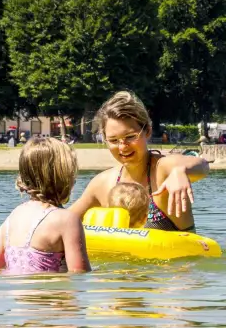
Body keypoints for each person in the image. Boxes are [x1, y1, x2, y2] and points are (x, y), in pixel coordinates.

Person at [69, 91, 208, 232]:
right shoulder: (102, 184)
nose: (123, 147)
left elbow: (202, 164)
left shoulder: (163, 169)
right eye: (113, 140)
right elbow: (65, 221)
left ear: (147, 131)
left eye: (130, 137)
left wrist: (179, 171)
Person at [0, 136, 91, 273]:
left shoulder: (14, 216)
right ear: (63, 177)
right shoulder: (67, 220)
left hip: (17, 293)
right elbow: (79, 273)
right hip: (51, 293)